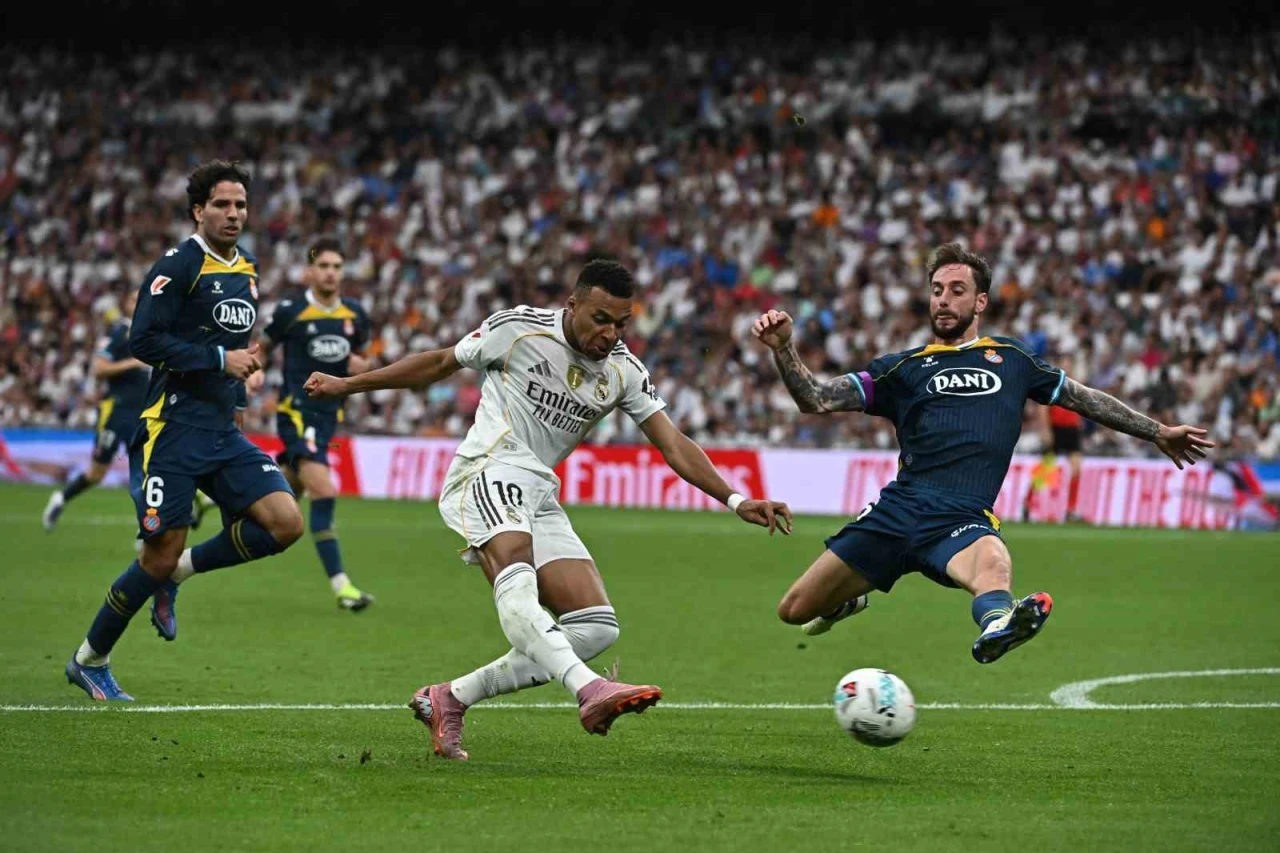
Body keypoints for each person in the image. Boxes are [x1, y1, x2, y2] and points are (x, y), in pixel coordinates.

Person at [304, 258, 793, 759]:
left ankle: (448, 698)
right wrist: (347, 387)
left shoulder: (624, 370)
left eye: (622, 323)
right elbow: (438, 364)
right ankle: (589, 690)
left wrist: (735, 498)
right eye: (601, 318)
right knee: (518, 586)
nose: (611, 334)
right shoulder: (516, 330)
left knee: (597, 625)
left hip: (539, 490)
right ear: (573, 305)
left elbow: (673, 442)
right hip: (488, 469)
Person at [754, 242, 1214, 664]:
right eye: (937, 290)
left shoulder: (1012, 359)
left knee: (992, 563)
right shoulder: (901, 368)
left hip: (962, 516)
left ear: (980, 302)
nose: (944, 300)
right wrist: (784, 348)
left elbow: (1081, 397)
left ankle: (998, 624)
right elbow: (815, 398)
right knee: (793, 610)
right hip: (898, 511)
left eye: (957, 290)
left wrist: (1156, 431)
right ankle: (849, 598)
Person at [64, 159, 304, 701]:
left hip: (222, 430)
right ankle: (90, 658)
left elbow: (235, 348)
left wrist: (240, 378)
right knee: (157, 555)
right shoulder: (177, 264)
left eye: (241, 204)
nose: (233, 213)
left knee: (285, 523)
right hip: (169, 430)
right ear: (198, 211)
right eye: (222, 204)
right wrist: (221, 359)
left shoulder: (246, 267)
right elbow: (143, 342)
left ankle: (179, 577)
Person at [247, 236, 375, 610]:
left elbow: (363, 359)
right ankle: (342, 587)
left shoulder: (355, 314)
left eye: (337, 267)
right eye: (324, 266)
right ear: (309, 272)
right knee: (325, 489)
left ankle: (208, 501)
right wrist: (252, 373)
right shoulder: (291, 310)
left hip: (329, 416)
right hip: (297, 412)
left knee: (286, 487)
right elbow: (263, 349)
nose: (331, 273)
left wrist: (360, 367)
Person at [43, 291, 149, 531]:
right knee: (97, 473)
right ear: (126, 305)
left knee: (147, 471)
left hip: (143, 414)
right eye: (133, 299)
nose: (139, 302)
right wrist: (133, 362)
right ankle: (60, 498)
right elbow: (99, 369)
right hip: (117, 411)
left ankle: (148, 528)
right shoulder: (121, 333)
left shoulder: (151, 333)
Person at [1022, 402, 1085, 523]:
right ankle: (1028, 503)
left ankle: (1071, 510)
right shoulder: (1056, 383)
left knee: (1076, 468)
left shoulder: (1075, 383)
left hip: (1072, 429)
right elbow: (1043, 407)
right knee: (1045, 468)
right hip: (1056, 428)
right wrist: (1045, 429)